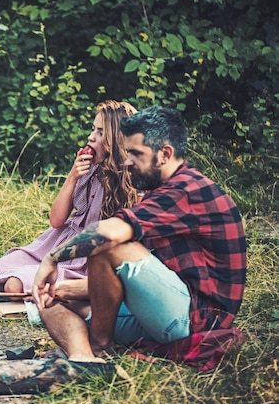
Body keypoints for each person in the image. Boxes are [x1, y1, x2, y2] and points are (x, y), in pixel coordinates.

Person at [32, 106, 247, 363]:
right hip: (161, 309)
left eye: (135, 154)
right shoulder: (160, 189)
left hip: (194, 321)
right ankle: (84, 359)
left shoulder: (186, 190)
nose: (126, 161)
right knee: (49, 300)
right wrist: (69, 289)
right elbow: (142, 275)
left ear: (164, 154)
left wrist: (52, 259)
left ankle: (100, 346)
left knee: (107, 245)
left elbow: (109, 234)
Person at [0, 100, 139, 304]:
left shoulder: (133, 181)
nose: (90, 137)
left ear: (116, 140)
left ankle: (60, 288)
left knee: (14, 285)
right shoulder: (87, 169)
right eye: (92, 129)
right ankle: (32, 278)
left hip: (87, 259)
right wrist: (72, 177)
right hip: (57, 246)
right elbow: (57, 220)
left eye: (100, 132)